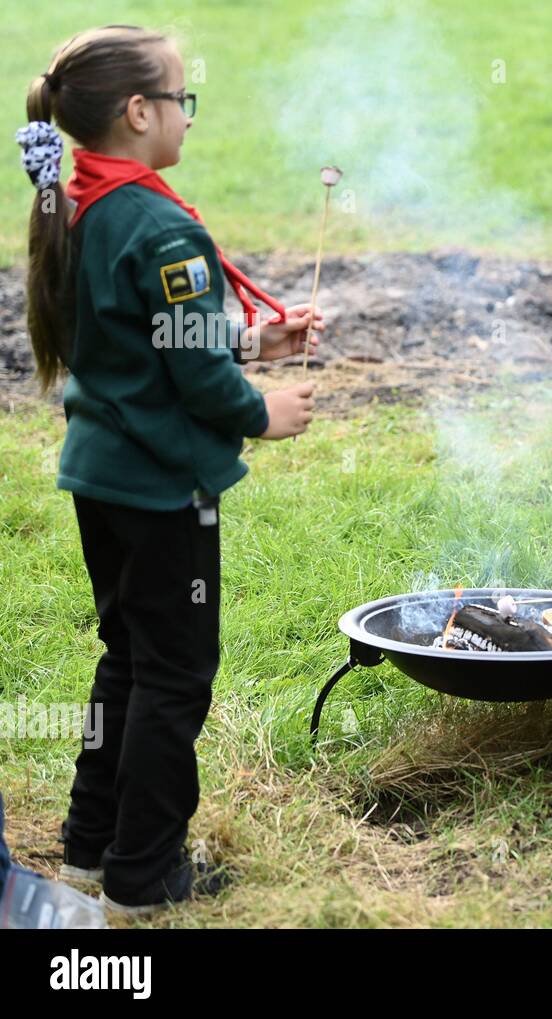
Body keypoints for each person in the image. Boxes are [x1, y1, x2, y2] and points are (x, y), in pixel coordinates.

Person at [17, 25, 321, 913]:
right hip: (159, 490)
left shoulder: (78, 199)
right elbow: (191, 370)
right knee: (175, 676)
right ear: (138, 111)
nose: (188, 117)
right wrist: (263, 408)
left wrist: (252, 335)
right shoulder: (156, 222)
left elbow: (139, 330)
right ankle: (145, 876)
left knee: (128, 657)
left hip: (101, 477)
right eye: (181, 101)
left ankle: (86, 847)